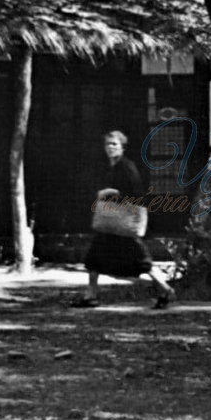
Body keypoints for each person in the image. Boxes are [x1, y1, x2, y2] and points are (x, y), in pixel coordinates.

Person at [75, 130, 176, 309]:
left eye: (114, 144)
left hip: (123, 222)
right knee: (94, 258)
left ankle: (165, 289)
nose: (110, 147)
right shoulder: (111, 166)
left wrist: (112, 193)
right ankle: (91, 295)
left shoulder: (126, 166)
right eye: (108, 144)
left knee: (141, 261)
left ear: (122, 147)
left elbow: (136, 192)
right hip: (111, 223)